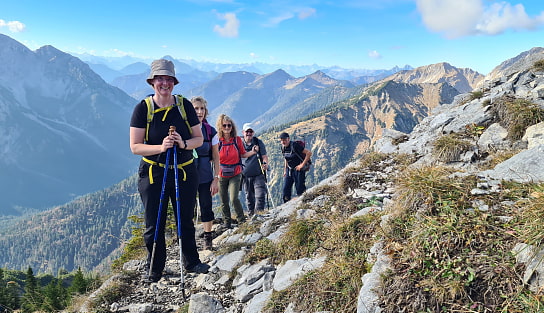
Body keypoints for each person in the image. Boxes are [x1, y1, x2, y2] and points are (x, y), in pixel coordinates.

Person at [129, 59, 210, 282]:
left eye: (168, 79)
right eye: (160, 79)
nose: (164, 83)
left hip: (183, 170)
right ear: (153, 82)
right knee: (154, 222)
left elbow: (198, 139)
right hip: (153, 172)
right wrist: (161, 147)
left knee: (185, 219)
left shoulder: (184, 106)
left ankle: (191, 262)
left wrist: (183, 143)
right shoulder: (143, 109)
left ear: (174, 82)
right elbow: (135, 146)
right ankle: (154, 268)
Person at [216, 114, 259, 228]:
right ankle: (227, 222)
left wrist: (253, 152)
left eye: (229, 125)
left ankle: (241, 220)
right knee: (223, 200)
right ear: (220, 127)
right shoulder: (217, 141)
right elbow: (213, 157)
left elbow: (243, 154)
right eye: (224, 125)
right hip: (221, 174)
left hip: (236, 173)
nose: (226, 128)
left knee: (234, 198)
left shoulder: (237, 140)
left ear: (232, 127)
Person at [191, 96, 220, 250]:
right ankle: (188, 242)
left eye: (202, 108)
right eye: (196, 108)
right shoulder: (184, 129)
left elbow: (216, 156)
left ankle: (208, 238)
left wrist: (216, 178)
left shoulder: (210, 132)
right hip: (187, 175)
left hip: (205, 175)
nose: (199, 111)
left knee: (206, 206)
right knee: (187, 209)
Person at [241, 123, 269, 216]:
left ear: (253, 133)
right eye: (247, 131)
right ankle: (251, 215)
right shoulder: (239, 143)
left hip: (258, 174)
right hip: (245, 175)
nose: (249, 133)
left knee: (260, 195)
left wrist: (265, 163)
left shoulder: (258, 142)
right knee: (249, 198)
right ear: (243, 132)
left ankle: (258, 216)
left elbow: (264, 156)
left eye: (250, 131)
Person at [280, 132, 312, 203]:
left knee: (300, 189)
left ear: (289, 139)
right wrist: (285, 170)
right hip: (289, 169)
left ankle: (304, 203)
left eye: (285, 140)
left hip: (298, 169)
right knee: (286, 189)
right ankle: (286, 207)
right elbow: (286, 158)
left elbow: (309, 153)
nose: (283, 142)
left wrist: (302, 165)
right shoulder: (283, 147)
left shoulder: (295, 146)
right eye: (281, 140)